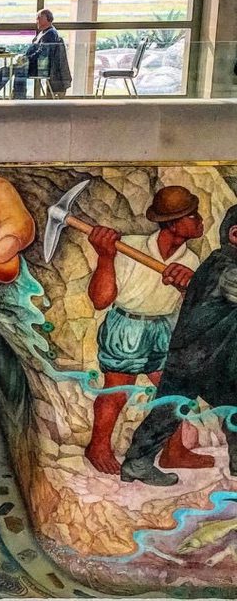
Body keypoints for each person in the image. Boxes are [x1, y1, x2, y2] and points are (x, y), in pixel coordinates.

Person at [83, 186, 213, 475]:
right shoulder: (128, 247)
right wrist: (105, 257)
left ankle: (173, 450)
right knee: (117, 392)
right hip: (127, 327)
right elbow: (100, 300)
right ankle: (98, 447)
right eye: (193, 216)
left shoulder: (190, 261)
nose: (200, 220)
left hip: (163, 327)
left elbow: (193, 310)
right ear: (174, 224)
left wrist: (186, 289)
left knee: (173, 392)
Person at [121, 204, 237, 486]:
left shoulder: (218, 262)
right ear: (235, 234)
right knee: (171, 409)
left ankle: (137, 462)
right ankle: (137, 463)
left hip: (204, 356)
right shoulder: (227, 269)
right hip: (200, 358)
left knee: (219, 407)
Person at [0, 9, 70, 99]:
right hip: (32, 64)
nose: (36, 21)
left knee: (8, 71)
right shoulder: (44, 32)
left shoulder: (50, 34)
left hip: (38, 67)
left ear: (47, 19)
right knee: (5, 70)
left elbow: (42, 53)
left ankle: (14, 96)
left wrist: (26, 59)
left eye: (39, 18)